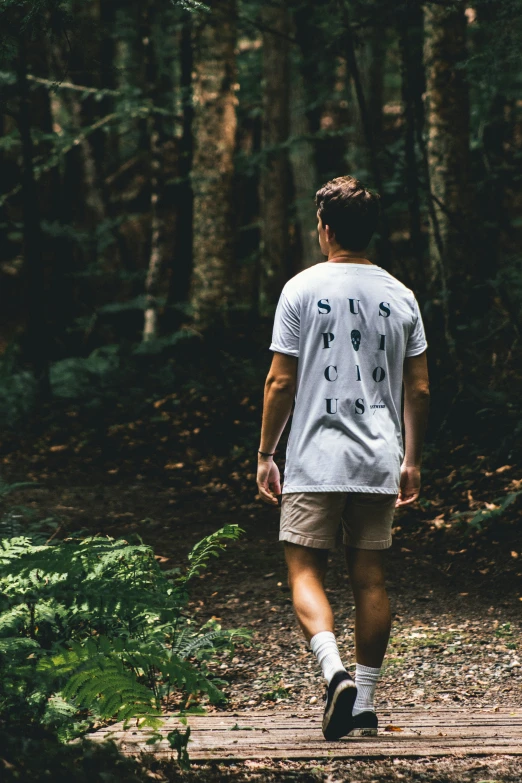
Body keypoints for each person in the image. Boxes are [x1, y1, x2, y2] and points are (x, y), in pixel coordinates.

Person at [256, 176, 430, 741]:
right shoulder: (401, 296)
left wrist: (265, 452)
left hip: (314, 456)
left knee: (304, 569)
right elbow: (419, 389)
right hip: (379, 457)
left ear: (324, 228)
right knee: (370, 577)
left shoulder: (300, 289)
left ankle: (334, 675)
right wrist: (412, 459)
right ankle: (366, 700)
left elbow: (280, 381)